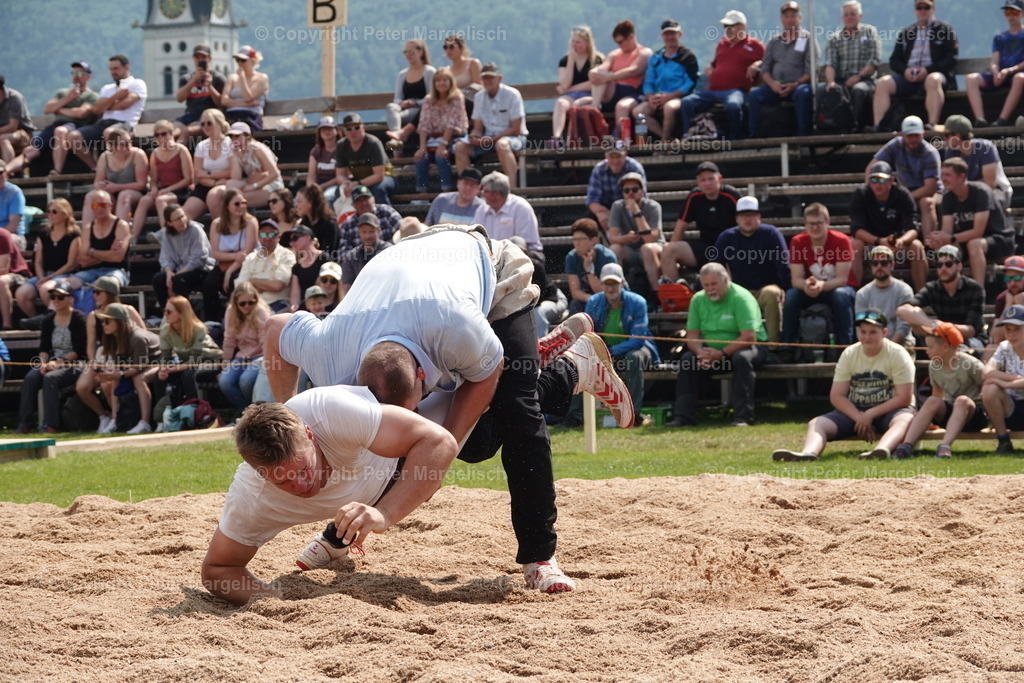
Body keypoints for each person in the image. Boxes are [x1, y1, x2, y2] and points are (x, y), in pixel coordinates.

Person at [264, 229, 634, 593]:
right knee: (474, 446)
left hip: (489, 268)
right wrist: (289, 416)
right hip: (409, 269)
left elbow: (487, 375)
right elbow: (275, 327)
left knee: (517, 412)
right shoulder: (330, 352)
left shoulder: (457, 328)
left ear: (423, 374)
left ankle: (539, 555)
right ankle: (342, 534)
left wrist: (440, 454)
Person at [200, 388, 459, 605]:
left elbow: (439, 442)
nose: (302, 484)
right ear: (261, 474)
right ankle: (335, 539)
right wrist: (278, 599)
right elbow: (217, 570)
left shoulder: (332, 412)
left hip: (401, 450)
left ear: (310, 436)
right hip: (369, 477)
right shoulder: (252, 497)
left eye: (304, 469)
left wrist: (385, 514)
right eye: (284, 480)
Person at [773, 309, 916, 461]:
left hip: (890, 411)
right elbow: (836, 395)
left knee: (905, 419)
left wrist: (870, 414)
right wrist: (860, 417)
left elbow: (904, 398)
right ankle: (809, 454)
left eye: (873, 332)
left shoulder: (898, 354)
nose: (867, 337)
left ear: (884, 332)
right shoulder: (849, 353)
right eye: (863, 332)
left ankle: (881, 450)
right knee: (817, 423)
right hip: (855, 410)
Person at [670, 263, 767, 427]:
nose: (710, 289)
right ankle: (683, 417)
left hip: (748, 348)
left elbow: (749, 337)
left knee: (741, 358)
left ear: (726, 280)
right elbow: (692, 334)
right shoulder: (698, 299)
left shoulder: (741, 298)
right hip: (710, 352)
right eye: (706, 285)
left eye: (714, 284)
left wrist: (721, 353)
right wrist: (701, 353)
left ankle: (743, 417)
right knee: (687, 360)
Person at [893, 322, 986, 459]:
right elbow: (937, 395)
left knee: (962, 400)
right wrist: (930, 416)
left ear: (945, 347)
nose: (927, 350)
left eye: (930, 347)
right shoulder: (934, 366)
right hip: (951, 414)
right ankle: (906, 445)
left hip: (973, 416)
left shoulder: (972, 364)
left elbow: (985, 390)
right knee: (931, 401)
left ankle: (944, 446)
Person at [585, 263, 659, 424]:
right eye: (607, 284)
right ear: (601, 284)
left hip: (638, 350)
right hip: (606, 351)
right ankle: (577, 416)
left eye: (614, 283)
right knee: (581, 361)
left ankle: (633, 415)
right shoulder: (593, 302)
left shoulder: (638, 302)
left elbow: (637, 341)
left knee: (634, 357)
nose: (611, 288)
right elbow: (589, 334)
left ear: (623, 283)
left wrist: (610, 351)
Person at [869, 0, 958, 132]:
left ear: (933, 9)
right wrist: (905, 71)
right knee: (882, 83)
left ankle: (932, 124)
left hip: (933, 76)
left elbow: (952, 58)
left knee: (933, 80)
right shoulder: (906, 32)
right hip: (907, 79)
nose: (922, 10)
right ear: (915, 10)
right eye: (919, 7)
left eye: (926, 7)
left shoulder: (945, 29)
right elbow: (894, 60)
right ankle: (878, 126)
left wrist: (928, 70)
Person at [926, 157, 1014, 285]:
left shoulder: (981, 192)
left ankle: (979, 292)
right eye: (942, 175)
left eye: (948, 175)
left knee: (974, 244)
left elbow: (978, 232)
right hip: (967, 241)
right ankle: (948, 292)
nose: (943, 179)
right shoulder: (948, 197)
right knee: (943, 248)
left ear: (961, 176)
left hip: (999, 239)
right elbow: (947, 231)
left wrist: (949, 238)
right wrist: (938, 239)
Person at [712, 196, 789, 343]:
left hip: (765, 290)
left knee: (771, 293)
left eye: (752, 215)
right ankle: (731, 346)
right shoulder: (727, 237)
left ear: (759, 217)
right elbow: (715, 267)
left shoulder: (771, 234)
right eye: (743, 216)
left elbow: (784, 265)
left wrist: (787, 290)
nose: (748, 219)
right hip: (738, 293)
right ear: (737, 219)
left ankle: (773, 346)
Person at [77, 302, 160, 435]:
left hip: (160, 363)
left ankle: (145, 422)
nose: (103, 324)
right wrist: (107, 375)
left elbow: (138, 368)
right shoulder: (113, 338)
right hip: (140, 365)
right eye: (103, 320)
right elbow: (119, 366)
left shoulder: (138, 337)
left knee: (139, 378)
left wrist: (119, 374)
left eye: (107, 321)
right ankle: (115, 420)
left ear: (119, 322)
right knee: (114, 379)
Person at [680, 10, 765, 140]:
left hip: (736, 90)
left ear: (742, 26)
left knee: (733, 105)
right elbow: (715, 64)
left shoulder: (754, 45)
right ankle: (689, 136)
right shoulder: (722, 44)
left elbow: (769, 60)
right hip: (713, 91)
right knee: (687, 102)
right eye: (726, 27)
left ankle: (735, 140)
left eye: (731, 26)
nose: (728, 30)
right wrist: (711, 69)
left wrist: (757, 63)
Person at [782, 203, 857, 348]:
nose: (815, 227)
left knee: (840, 296)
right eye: (811, 224)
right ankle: (787, 347)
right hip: (811, 289)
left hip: (839, 288)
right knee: (791, 296)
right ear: (805, 224)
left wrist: (821, 285)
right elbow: (795, 279)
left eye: (819, 223)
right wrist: (806, 285)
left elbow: (842, 279)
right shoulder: (797, 242)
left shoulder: (841, 240)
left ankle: (845, 347)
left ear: (827, 223)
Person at [15, 285, 86, 433]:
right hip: (51, 362)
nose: (56, 300)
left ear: (71, 299)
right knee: (30, 378)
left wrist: (58, 363)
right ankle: (24, 423)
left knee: (50, 379)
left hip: (75, 364)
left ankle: (51, 424)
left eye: (60, 297)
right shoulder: (48, 320)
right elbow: (44, 348)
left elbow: (79, 351)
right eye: (53, 297)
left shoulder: (79, 318)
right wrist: (43, 364)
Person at [5, 61, 97, 176]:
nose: (76, 77)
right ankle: (5, 171)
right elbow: (47, 109)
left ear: (88, 76)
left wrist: (59, 109)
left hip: (76, 127)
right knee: (30, 150)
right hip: (55, 126)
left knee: (60, 131)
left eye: (79, 74)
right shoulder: (62, 93)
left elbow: (81, 113)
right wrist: (67, 99)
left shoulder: (91, 96)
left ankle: (57, 171)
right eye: (74, 73)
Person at [60, 55, 147, 173]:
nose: (113, 72)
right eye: (111, 69)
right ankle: (96, 168)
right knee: (73, 137)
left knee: (109, 133)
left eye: (116, 68)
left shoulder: (137, 84)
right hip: (102, 123)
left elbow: (123, 105)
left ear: (127, 67)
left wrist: (106, 105)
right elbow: (96, 109)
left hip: (124, 124)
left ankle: (112, 169)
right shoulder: (107, 88)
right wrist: (116, 97)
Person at [849, 160, 927, 290]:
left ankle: (922, 295)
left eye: (882, 180)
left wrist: (901, 241)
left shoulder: (903, 194)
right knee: (855, 245)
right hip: (871, 244)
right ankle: (854, 294)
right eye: (874, 180)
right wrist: (879, 241)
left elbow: (913, 229)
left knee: (917, 246)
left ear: (892, 180)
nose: (878, 185)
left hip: (896, 244)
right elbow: (856, 229)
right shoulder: (861, 194)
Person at [748, 2, 818, 138]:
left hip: (799, 85)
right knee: (754, 96)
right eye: (787, 16)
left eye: (793, 16)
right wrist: (773, 84)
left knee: (803, 94)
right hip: (776, 86)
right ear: (782, 19)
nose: (790, 19)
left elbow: (811, 70)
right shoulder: (774, 42)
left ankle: (803, 137)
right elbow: (765, 68)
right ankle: (754, 137)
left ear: (800, 18)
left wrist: (795, 84)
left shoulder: (808, 40)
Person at [454, 63, 528, 188]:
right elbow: (477, 128)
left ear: (499, 78)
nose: (487, 81)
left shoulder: (513, 95)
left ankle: (513, 191)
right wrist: (474, 137)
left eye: (491, 77)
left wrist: (492, 139)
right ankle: (468, 190)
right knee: (460, 147)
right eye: (485, 77)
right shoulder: (478, 97)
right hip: (489, 139)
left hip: (515, 139)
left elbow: (516, 129)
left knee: (502, 145)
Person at [662, 161, 740, 279]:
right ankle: (673, 293)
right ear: (697, 182)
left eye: (711, 179)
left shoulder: (731, 195)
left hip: (730, 247)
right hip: (705, 246)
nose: (707, 183)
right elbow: (680, 227)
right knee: (668, 249)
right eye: (703, 180)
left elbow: (745, 222)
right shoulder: (694, 197)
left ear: (719, 178)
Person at [897, 243, 986, 346]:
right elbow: (902, 310)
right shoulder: (932, 287)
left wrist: (943, 327)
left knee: (955, 346)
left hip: (972, 340)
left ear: (959, 266)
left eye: (948, 264)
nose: (943, 268)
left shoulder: (975, 289)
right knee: (916, 317)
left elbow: (970, 331)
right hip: (942, 337)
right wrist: (932, 325)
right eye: (939, 265)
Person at [869, 115, 942, 237]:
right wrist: (871, 190)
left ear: (923, 134)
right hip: (906, 191)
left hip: (933, 193)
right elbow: (871, 167)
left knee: (926, 202)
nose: (913, 139)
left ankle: (930, 244)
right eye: (909, 136)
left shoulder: (930, 153)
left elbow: (930, 188)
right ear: (902, 135)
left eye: (916, 135)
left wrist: (903, 198)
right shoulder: (895, 145)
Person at [58, 189, 130, 312]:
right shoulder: (88, 228)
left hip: (116, 270)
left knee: (101, 285)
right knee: (63, 286)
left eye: (103, 205)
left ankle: (89, 318)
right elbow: (83, 261)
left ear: (110, 206)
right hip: (90, 271)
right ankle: (63, 318)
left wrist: (91, 252)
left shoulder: (121, 226)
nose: (99, 209)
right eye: (96, 205)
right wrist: (108, 253)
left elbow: (118, 258)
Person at [14, 198, 81, 324]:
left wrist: (50, 277)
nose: (50, 215)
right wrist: (41, 277)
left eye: (54, 211)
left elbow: (71, 264)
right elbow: (38, 261)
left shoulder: (74, 234)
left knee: (46, 289)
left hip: (64, 275)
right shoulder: (44, 233)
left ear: (65, 213)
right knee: (21, 294)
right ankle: (41, 323)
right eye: (48, 211)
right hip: (44, 274)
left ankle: (51, 322)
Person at [819, 0, 883, 132]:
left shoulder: (870, 32)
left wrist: (858, 76)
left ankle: (854, 126)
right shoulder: (835, 38)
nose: (849, 17)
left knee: (858, 90)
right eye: (846, 14)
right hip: (841, 80)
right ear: (842, 17)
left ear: (860, 16)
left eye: (853, 14)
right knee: (822, 91)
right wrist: (831, 82)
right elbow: (830, 63)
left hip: (865, 79)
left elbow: (874, 61)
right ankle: (826, 126)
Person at [631, 20, 698, 142]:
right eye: (667, 34)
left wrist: (670, 96)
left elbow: (690, 82)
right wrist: (650, 96)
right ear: (661, 36)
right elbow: (648, 81)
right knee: (638, 112)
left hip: (679, 97)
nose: (670, 37)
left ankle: (663, 144)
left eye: (673, 34)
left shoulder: (687, 56)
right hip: (658, 97)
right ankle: (666, 139)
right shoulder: (656, 57)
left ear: (680, 35)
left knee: (669, 108)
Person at [580, 20, 652, 130]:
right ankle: (595, 109)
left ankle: (621, 137)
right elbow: (603, 67)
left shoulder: (644, 53)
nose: (619, 45)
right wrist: (593, 72)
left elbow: (634, 70)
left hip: (632, 91)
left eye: (621, 42)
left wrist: (609, 77)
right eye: (617, 43)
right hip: (611, 92)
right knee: (578, 104)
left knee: (622, 106)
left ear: (631, 37)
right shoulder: (614, 54)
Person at [155, 296, 222, 410]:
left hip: (212, 362)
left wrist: (174, 369)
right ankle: (162, 414)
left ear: (181, 313)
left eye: (169, 311)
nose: (165, 314)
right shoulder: (166, 330)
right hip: (187, 364)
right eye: (164, 311)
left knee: (188, 374)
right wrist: (163, 369)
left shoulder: (198, 329)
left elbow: (195, 359)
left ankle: (195, 411)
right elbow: (165, 356)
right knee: (158, 376)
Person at [132, 119, 194, 241]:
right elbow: (154, 180)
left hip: (180, 190)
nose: (161, 137)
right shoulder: (155, 154)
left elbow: (189, 179)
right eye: (157, 135)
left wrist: (167, 190)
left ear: (171, 134)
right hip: (163, 189)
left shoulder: (181, 150)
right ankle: (133, 237)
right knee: (144, 200)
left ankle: (165, 235)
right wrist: (154, 189)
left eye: (164, 134)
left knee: (161, 200)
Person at [965, 0, 1024, 128]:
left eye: (1015, 12)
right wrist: (995, 72)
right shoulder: (999, 37)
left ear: (1022, 14)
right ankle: (980, 119)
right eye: (1008, 12)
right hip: (1001, 75)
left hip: (1017, 75)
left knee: (1020, 78)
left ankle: (1002, 119)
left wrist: (1010, 70)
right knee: (971, 79)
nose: (1011, 16)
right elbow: (994, 61)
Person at [203, 187, 257, 323]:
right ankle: (213, 321)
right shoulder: (217, 224)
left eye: (243, 203)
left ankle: (238, 319)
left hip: (244, 263)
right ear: (227, 206)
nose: (241, 206)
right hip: (224, 262)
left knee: (234, 281)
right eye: (237, 204)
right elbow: (215, 253)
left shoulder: (251, 222)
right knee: (209, 284)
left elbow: (247, 251)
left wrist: (230, 271)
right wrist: (234, 257)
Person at [939, 114, 1013, 212]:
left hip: (997, 193)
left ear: (957, 136)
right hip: (965, 194)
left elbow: (989, 185)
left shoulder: (986, 148)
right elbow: (952, 181)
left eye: (947, 135)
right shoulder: (950, 152)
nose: (944, 139)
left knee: (984, 202)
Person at [80, 126, 148, 229]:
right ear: (113, 146)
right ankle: (87, 232)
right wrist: (102, 186)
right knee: (91, 196)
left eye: (129, 143)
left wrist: (117, 187)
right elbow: (97, 182)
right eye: (123, 144)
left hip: (134, 193)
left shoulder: (138, 155)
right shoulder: (105, 157)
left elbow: (142, 184)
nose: (127, 147)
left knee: (124, 196)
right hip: (112, 194)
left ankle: (121, 232)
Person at [218, 282, 271, 413]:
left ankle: (254, 412)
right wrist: (225, 363)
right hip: (242, 356)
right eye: (242, 303)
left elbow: (266, 341)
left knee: (245, 380)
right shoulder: (231, 311)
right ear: (236, 303)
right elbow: (229, 340)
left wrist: (268, 361)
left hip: (260, 356)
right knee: (225, 381)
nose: (247, 306)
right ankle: (246, 411)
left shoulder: (261, 311)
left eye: (251, 302)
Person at [607, 171, 663, 294]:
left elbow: (650, 239)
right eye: (626, 190)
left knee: (646, 248)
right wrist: (627, 238)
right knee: (615, 249)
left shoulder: (653, 206)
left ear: (642, 191)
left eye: (634, 189)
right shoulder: (617, 206)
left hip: (654, 250)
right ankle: (618, 294)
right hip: (631, 252)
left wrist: (637, 212)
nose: (630, 193)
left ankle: (656, 295)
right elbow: (613, 238)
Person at [414, 67, 467, 194]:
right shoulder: (429, 99)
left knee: (441, 156)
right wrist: (422, 146)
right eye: (438, 80)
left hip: (453, 137)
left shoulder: (457, 97)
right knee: (422, 158)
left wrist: (443, 144)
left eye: (445, 80)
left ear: (450, 82)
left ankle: (446, 190)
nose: (441, 83)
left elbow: (452, 123)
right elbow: (424, 123)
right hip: (433, 138)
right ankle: (422, 194)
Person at [152, 204, 214, 310]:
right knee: (158, 280)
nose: (182, 220)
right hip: (179, 269)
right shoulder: (167, 234)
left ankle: (185, 313)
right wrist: (169, 272)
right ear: (169, 223)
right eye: (177, 219)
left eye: (183, 216)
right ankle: (166, 312)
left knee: (178, 280)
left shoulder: (195, 229)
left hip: (200, 269)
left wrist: (177, 274)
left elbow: (199, 258)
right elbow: (166, 257)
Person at [855, 245, 916, 348]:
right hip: (871, 343)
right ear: (871, 266)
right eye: (875, 263)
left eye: (884, 263)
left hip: (901, 344)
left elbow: (903, 327)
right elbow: (861, 327)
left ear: (892, 265)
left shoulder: (904, 291)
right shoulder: (862, 294)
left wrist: (889, 350)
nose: (879, 266)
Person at [982, 304, 1024, 453]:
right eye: (1008, 330)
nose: (1011, 335)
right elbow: (987, 372)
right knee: (989, 387)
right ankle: (1003, 441)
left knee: (994, 384)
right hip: (1013, 406)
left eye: (1017, 329)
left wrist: (1004, 384)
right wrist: (1015, 379)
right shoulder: (1005, 346)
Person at [551, 26, 604, 140]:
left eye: (578, 42)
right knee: (560, 103)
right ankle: (556, 137)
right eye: (573, 42)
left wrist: (570, 89)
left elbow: (593, 83)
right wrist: (571, 61)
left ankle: (574, 139)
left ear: (587, 43)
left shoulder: (597, 59)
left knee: (578, 105)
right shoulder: (565, 60)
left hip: (591, 95)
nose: (575, 45)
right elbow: (564, 84)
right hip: (571, 96)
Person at [334, 112, 396, 206]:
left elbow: (379, 176)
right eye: (349, 129)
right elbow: (340, 175)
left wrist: (357, 184)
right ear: (344, 131)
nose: (353, 131)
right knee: (339, 191)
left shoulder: (373, 143)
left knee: (378, 189)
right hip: (360, 181)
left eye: (357, 127)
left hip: (386, 178)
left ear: (363, 128)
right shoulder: (341, 145)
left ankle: (387, 217)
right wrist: (345, 183)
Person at [183, 109, 234, 220]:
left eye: (209, 123)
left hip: (226, 184)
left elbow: (232, 171)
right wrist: (214, 182)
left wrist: (208, 174)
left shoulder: (230, 144)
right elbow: (197, 174)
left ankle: (221, 233)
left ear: (220, 124)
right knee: (184, 215)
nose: (205, 126)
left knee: (214, 197)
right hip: (206, 185)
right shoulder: (201, 146)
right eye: (202, 124)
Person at [235, 219, 295, 313]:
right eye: (263, 234)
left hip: (277, 304)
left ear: (278, 236)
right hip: (252, 304)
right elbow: (240, 287)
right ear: (258, 236)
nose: (267, 238)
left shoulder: (287, 255)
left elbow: (278, 285)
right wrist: (266, 285)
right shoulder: (251, 257)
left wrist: (252, 281)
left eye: (271, 234)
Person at [586, 139, 646, 232]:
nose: (615, 161)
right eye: (611, 157)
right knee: (589, 218)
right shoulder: (598, 169)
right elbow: (592, 200)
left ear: (625, 155)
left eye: (618, 156)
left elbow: (641, 196)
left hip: (630, 206)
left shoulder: (635, 167)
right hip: (607, 208)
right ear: (606, 156)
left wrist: (621, 215)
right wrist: (601, 212)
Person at [384, 39, 436, 149]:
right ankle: (396, 139)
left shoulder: (429, 71)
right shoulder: (402, 74)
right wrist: (402, 103)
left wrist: (415, 103)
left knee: (394, 119)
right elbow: (397, 98)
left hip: (422, 110)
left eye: (411, 52)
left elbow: (432, 96)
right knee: (391, 107)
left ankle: (396, 145)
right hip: (405, 110)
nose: (408, 55)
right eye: (406, 52)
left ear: (421, 52)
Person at [473, 172, 542, 252]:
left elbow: (525, 243)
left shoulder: (521, 208)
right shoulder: (482, 209)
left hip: (521, 256)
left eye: (485, 191)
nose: (482, 195)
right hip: (490, 257)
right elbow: (475, 237)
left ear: (497, 194)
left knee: (517, 241)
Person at [565, 217, 618, 315]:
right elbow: (575, 292)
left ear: (594, 240)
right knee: (575, 304)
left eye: (581, 239)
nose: (577, 243)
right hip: (588, 298)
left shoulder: (607, 257)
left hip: (611, 297)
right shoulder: (571, 257)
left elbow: (607, 291)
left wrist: (589, 269)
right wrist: (592, 300)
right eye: (574, 239)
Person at [225, 122, 283, 211]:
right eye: (231, 136)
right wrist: (234, 156)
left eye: (237, 136)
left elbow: (274, 173)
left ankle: (239, 221)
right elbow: (236, 177)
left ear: (247, 136)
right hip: (253, 181)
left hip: (271, 185)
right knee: (230, 185)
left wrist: (254, 186)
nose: (234, 139)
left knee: (237, 200)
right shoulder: (237, 152)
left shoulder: (258, 148)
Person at [173, 45, 224, 140]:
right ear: (193, 59)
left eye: (203, 57)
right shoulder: (186, 78)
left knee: (187, 131)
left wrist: (209, 86)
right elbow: (179, 99)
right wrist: (193, 81)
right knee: (172, 132)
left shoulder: (218, 78)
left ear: (209, 59)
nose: (200, 60)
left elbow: (221, 103)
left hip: (208, 117)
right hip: (190, 114)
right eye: (197, 57)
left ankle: (179, 152)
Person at [340, 213, 390, 297]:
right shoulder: (351, 256)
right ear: (359, 233)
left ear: (378, 231)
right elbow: (347, 286)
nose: (368, 236)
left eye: (371, 231)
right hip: (359, 301)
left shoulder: (389, 251)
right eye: (364, 232)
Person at [337, 185, 401, 250]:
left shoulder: (386, 211)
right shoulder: (348, 224)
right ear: (353, 205)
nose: (364, 203)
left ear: (373, 199)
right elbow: (343, 252)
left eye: (366, 199)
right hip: (361, 259)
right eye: (359, 201)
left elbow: (402, 232)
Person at [221, 45, 269, 132]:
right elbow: (224, 101)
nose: (240, 63)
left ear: (253, 61)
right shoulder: (231, 78)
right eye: (237, 60)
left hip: (251, 115)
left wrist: (242, 78)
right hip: (232, 114)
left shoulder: (261, 78)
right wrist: (245, 104)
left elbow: (248, 97)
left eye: (243, 60)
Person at [287, 225, 328, 312]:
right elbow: (295, 293)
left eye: (295, 238)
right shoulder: (297, 267)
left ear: (307, 237)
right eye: (291, 240)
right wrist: (295, 305)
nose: (292, 242)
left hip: (323, 306)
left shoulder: (324, 258)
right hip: (306, 308)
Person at [0, 221, 31, 330]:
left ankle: (6, 325)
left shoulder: (2, 235)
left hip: (17, 275)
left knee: (1, 281)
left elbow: (3, 269)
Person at [293, 184, 337, 258]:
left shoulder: (329, 225)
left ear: (310, 203)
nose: (296, 205)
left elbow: (329, 253)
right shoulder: (303, 224)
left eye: (299, 201)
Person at [441, 34, 483, 113]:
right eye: (445, 47)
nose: (448, 50)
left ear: (461, 48)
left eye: (452, 47)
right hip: (451, 103)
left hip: (471, 102)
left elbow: (478, 87)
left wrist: (461, 93)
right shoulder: (447, 70)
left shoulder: (472, 63)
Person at [306, 117, 342, 206]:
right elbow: (311, 176)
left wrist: (321, 187)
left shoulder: (342, 149)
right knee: (302, 199)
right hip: (318, 184)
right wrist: (312, 188)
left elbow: (341, 176)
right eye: (323, 129)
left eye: (330, 128)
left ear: (336, 131)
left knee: (327, 198)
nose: (326, 131)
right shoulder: (316, 151)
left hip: (336, 185)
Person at [0, 74, 34, 167]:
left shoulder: (14, 97)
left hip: (22, 134)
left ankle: (6, 174)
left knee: (3, 139)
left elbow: (12, 126)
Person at [991, 255, 1024, 347]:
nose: (1012, 283)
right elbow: (996, 338)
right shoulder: (1003, 298)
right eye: (1008, 279)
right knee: (991, 348)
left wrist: (1021, 304)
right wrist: (1008, 305)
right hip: (1010, 345)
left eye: (1017, 278)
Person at [0, 160, 25, 244]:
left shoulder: (14, 192)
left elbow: (13, 224)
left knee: (8, 240)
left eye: (1, 173)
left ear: (6, 173)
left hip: (13, 235)